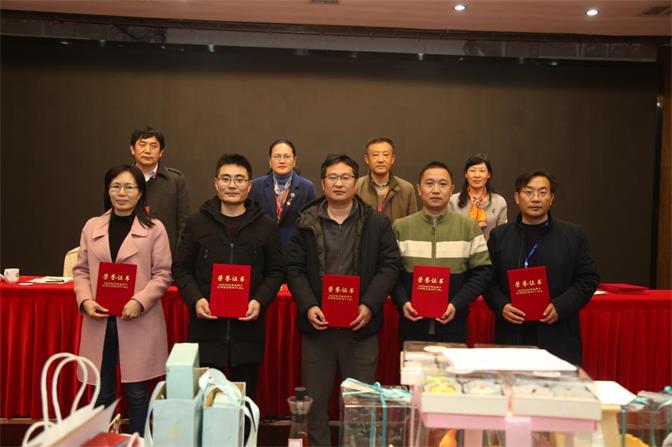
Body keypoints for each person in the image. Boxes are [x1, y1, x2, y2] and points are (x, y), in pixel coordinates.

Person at [286, 154, 400, 447]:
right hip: (318, 330)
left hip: (360, 330)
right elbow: (294, 268)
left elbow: (389, 266)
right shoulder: (305, 222)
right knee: (315, 406)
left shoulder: (377, 222)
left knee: (360, 406)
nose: (339, 183)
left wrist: (369, 304)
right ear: (323, 183)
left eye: (345, 177)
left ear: (355, 182)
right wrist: (309, 305)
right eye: (333, 177)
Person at [172, 153, 285, 399]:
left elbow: (276, 271)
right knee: (206, 403)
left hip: (248, 332)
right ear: (216, 183)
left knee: (243, 402)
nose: (232, 185)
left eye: (239, 179)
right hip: (206, 330)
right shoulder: (197, 223)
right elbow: (181, 268)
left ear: (249, 185)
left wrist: (259, 301)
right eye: (225, 179)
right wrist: (196, 299)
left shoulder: (265, 226)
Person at [73, 164, 172, 435]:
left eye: (129, 187)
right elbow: (81, 271)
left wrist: (139, 301)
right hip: (100, 319)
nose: (121, 193)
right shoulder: (92, 226)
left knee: (137, 393)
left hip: (137, 319)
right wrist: (85, 300)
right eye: (115, 186)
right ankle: (102, 440)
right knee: (102, 392)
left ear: (140, 193)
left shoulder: (155, 229)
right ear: (108, 191)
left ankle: (138, 440)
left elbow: (163, 274)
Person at [483, 170, 599, 365]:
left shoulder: (573, 235)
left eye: (542, 192)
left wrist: (560, 306)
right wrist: (502, 305)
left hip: (558, 333)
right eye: (529, 192)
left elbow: (588, 279)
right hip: (512, 334)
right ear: (517, 197)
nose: (535, 198)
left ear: (551, 198)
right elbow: (487, 279)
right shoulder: (499, 237)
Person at [392, 161, 493, 343]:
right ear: (419, 189)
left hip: (454, 326)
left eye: (443, 184)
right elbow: (390, 272)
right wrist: (403, 302)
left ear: (452, 189)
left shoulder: (469, 227)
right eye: (429, 183)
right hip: (411, 325)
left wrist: (456, 304)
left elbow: (483, 273)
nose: (436, 190)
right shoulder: (400, 227)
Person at [129, 126, 189, 254]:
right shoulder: (121, 179)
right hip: (129, 254)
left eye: (153, 146)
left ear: (161, 152)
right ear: (132, 149)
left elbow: (183, 223)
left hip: (165, 254)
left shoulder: (175, 180)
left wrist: (177, 256)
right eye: (142, 145)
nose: (147, 150)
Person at [250, 139, 316, 244]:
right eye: (277, 156)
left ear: (294, 160)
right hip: (264, 246)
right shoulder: (257, 186)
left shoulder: (307, 187)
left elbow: (311, 224)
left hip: (295, 247)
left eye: (287, 156)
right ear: (270, 161)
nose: (282, 161)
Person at [356, 137, 417, 223]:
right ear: (366, 159)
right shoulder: (356, 187)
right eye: (375, 155)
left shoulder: (407, 189)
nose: (380, 160)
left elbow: (412, 223)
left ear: (392, 159)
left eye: (385, 154)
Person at [449, 153, 507, 239]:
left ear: (488, 174)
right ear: (466, 174)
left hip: (489, 247)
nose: (477, 175)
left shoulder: (499, 202)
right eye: (473, 170)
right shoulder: (453, 201)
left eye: (482, 171)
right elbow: (449, 231)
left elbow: (503, 235)